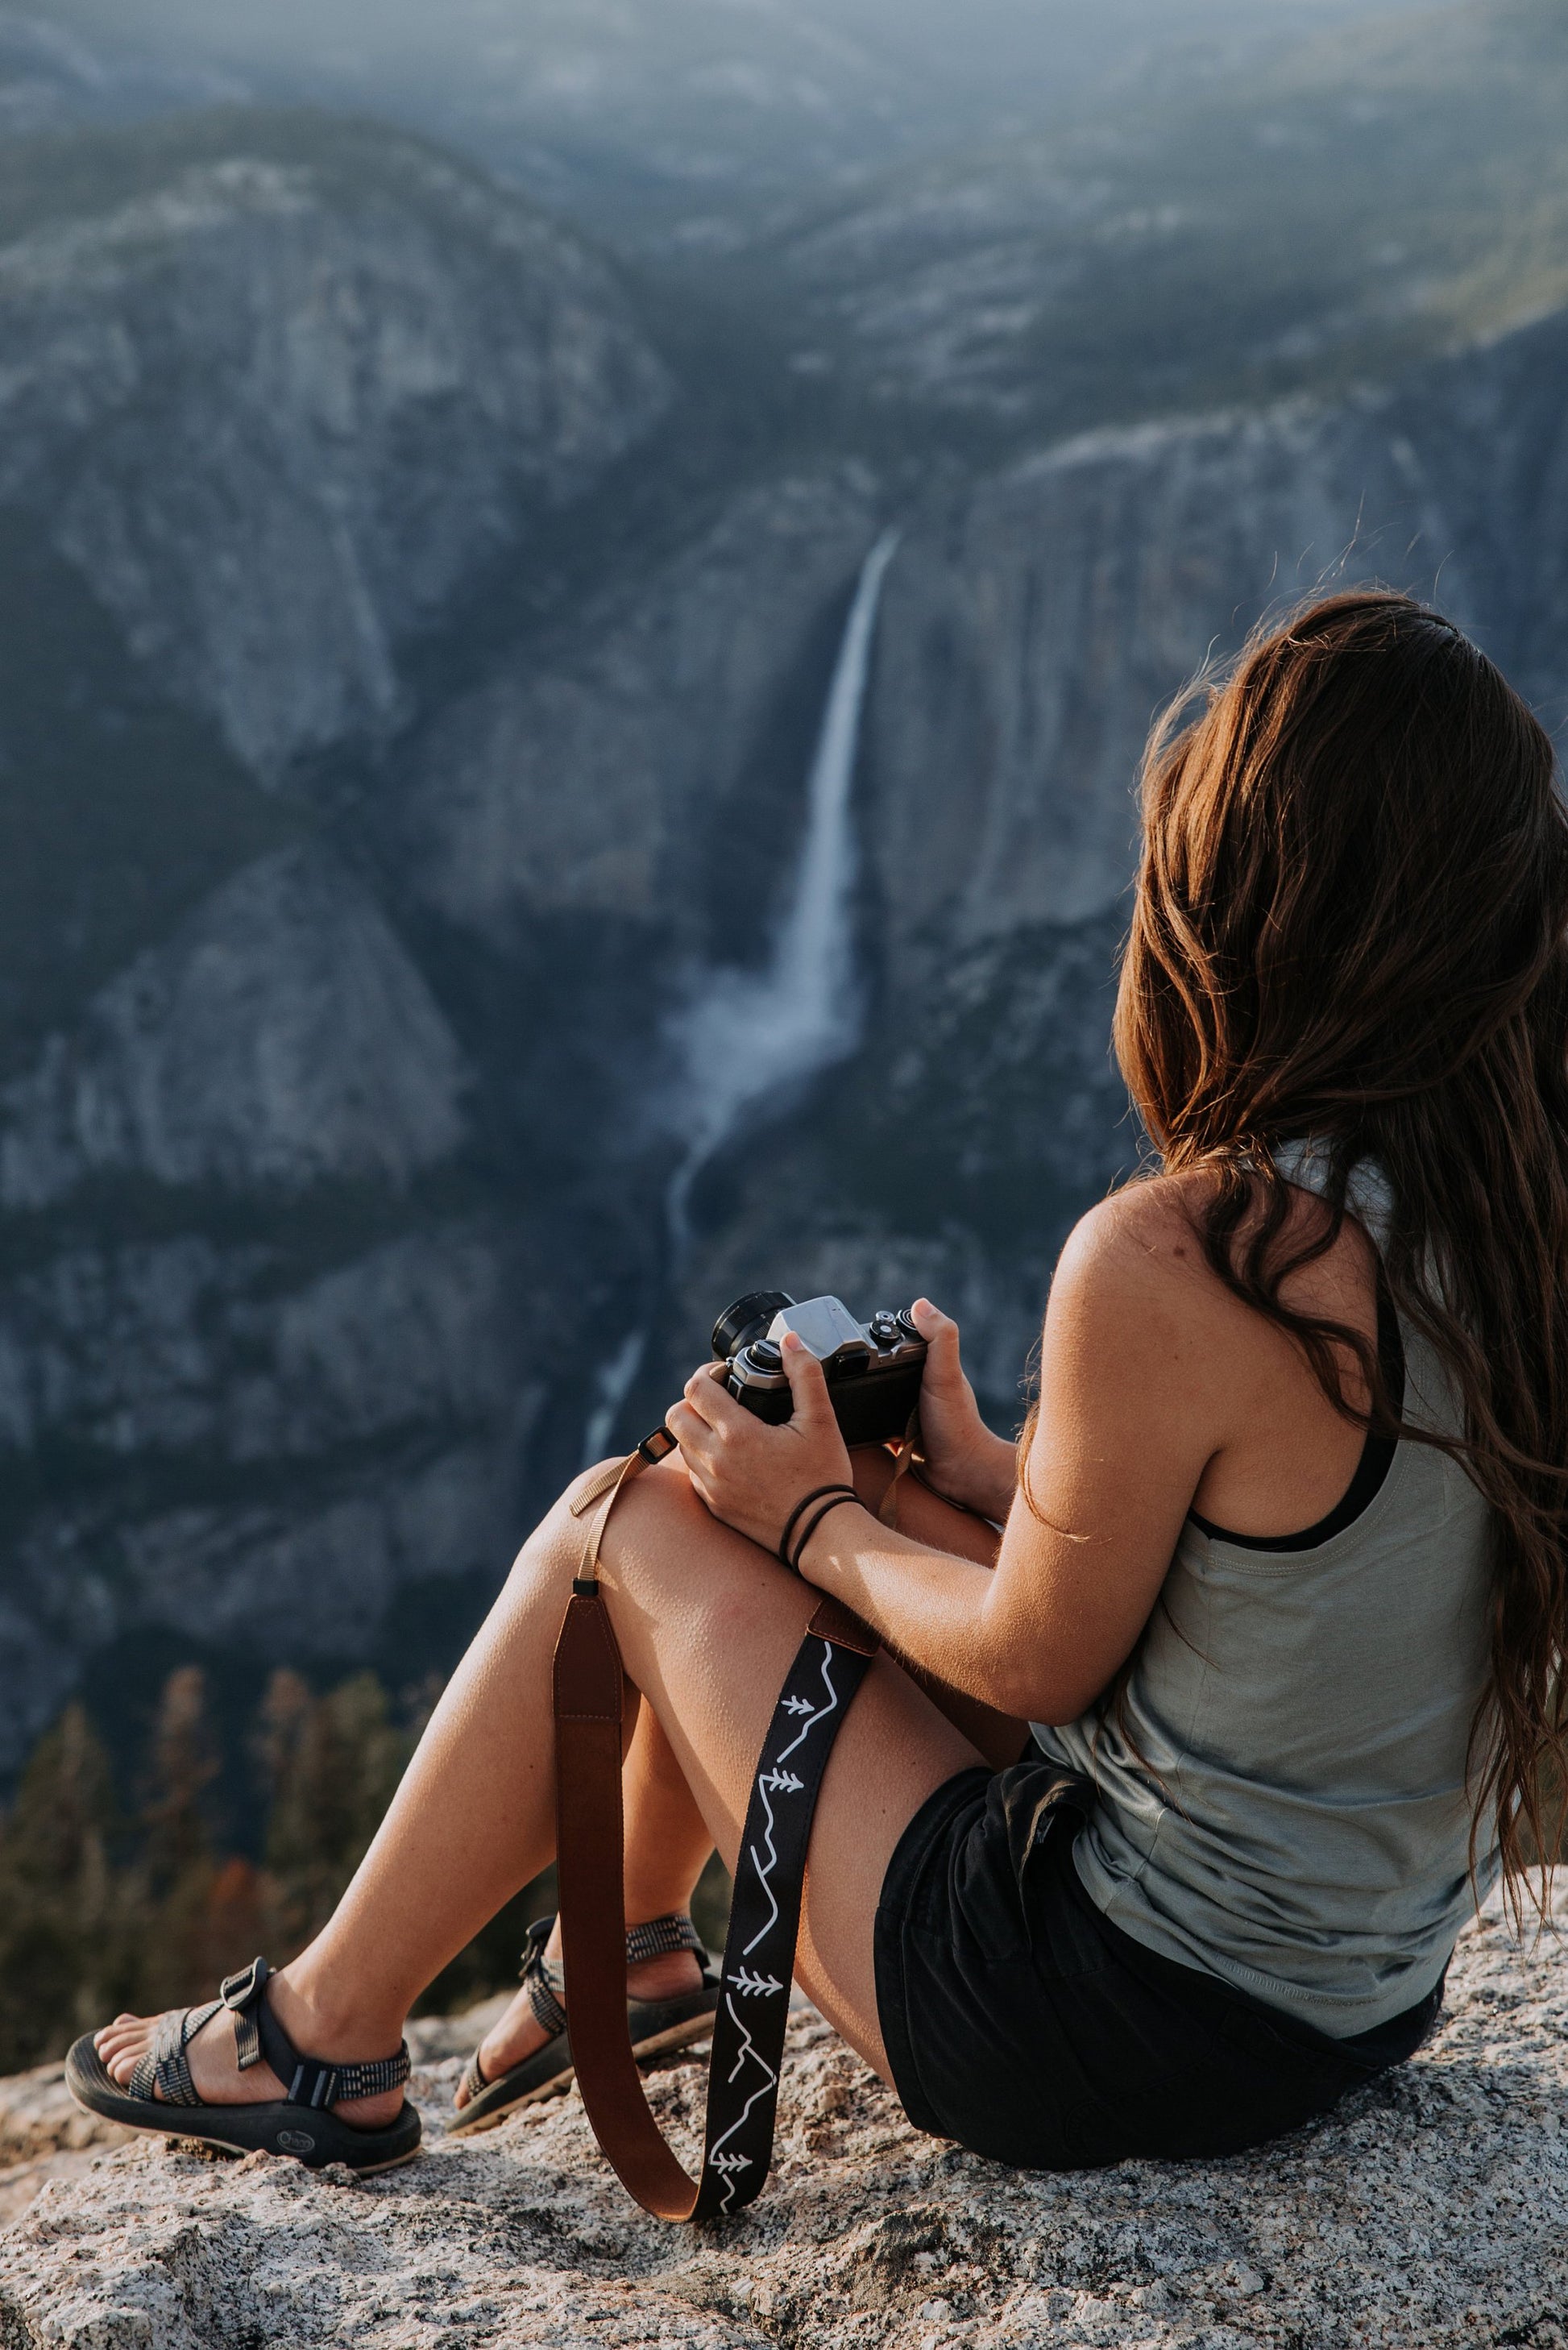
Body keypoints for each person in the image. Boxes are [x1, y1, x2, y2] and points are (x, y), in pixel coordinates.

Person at [73, 590, 1568, 2174]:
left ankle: (319, 2036)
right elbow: (1298, 1558)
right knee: (840, 1484)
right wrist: (981, 1473)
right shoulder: (1516, 1222)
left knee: (626, 1522)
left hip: (1094, 2024)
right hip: (1350, 2004)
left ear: (1238, 898)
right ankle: (628, 1950)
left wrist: (815, 1529)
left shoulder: (1190, 1254)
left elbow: (1038, 1661)